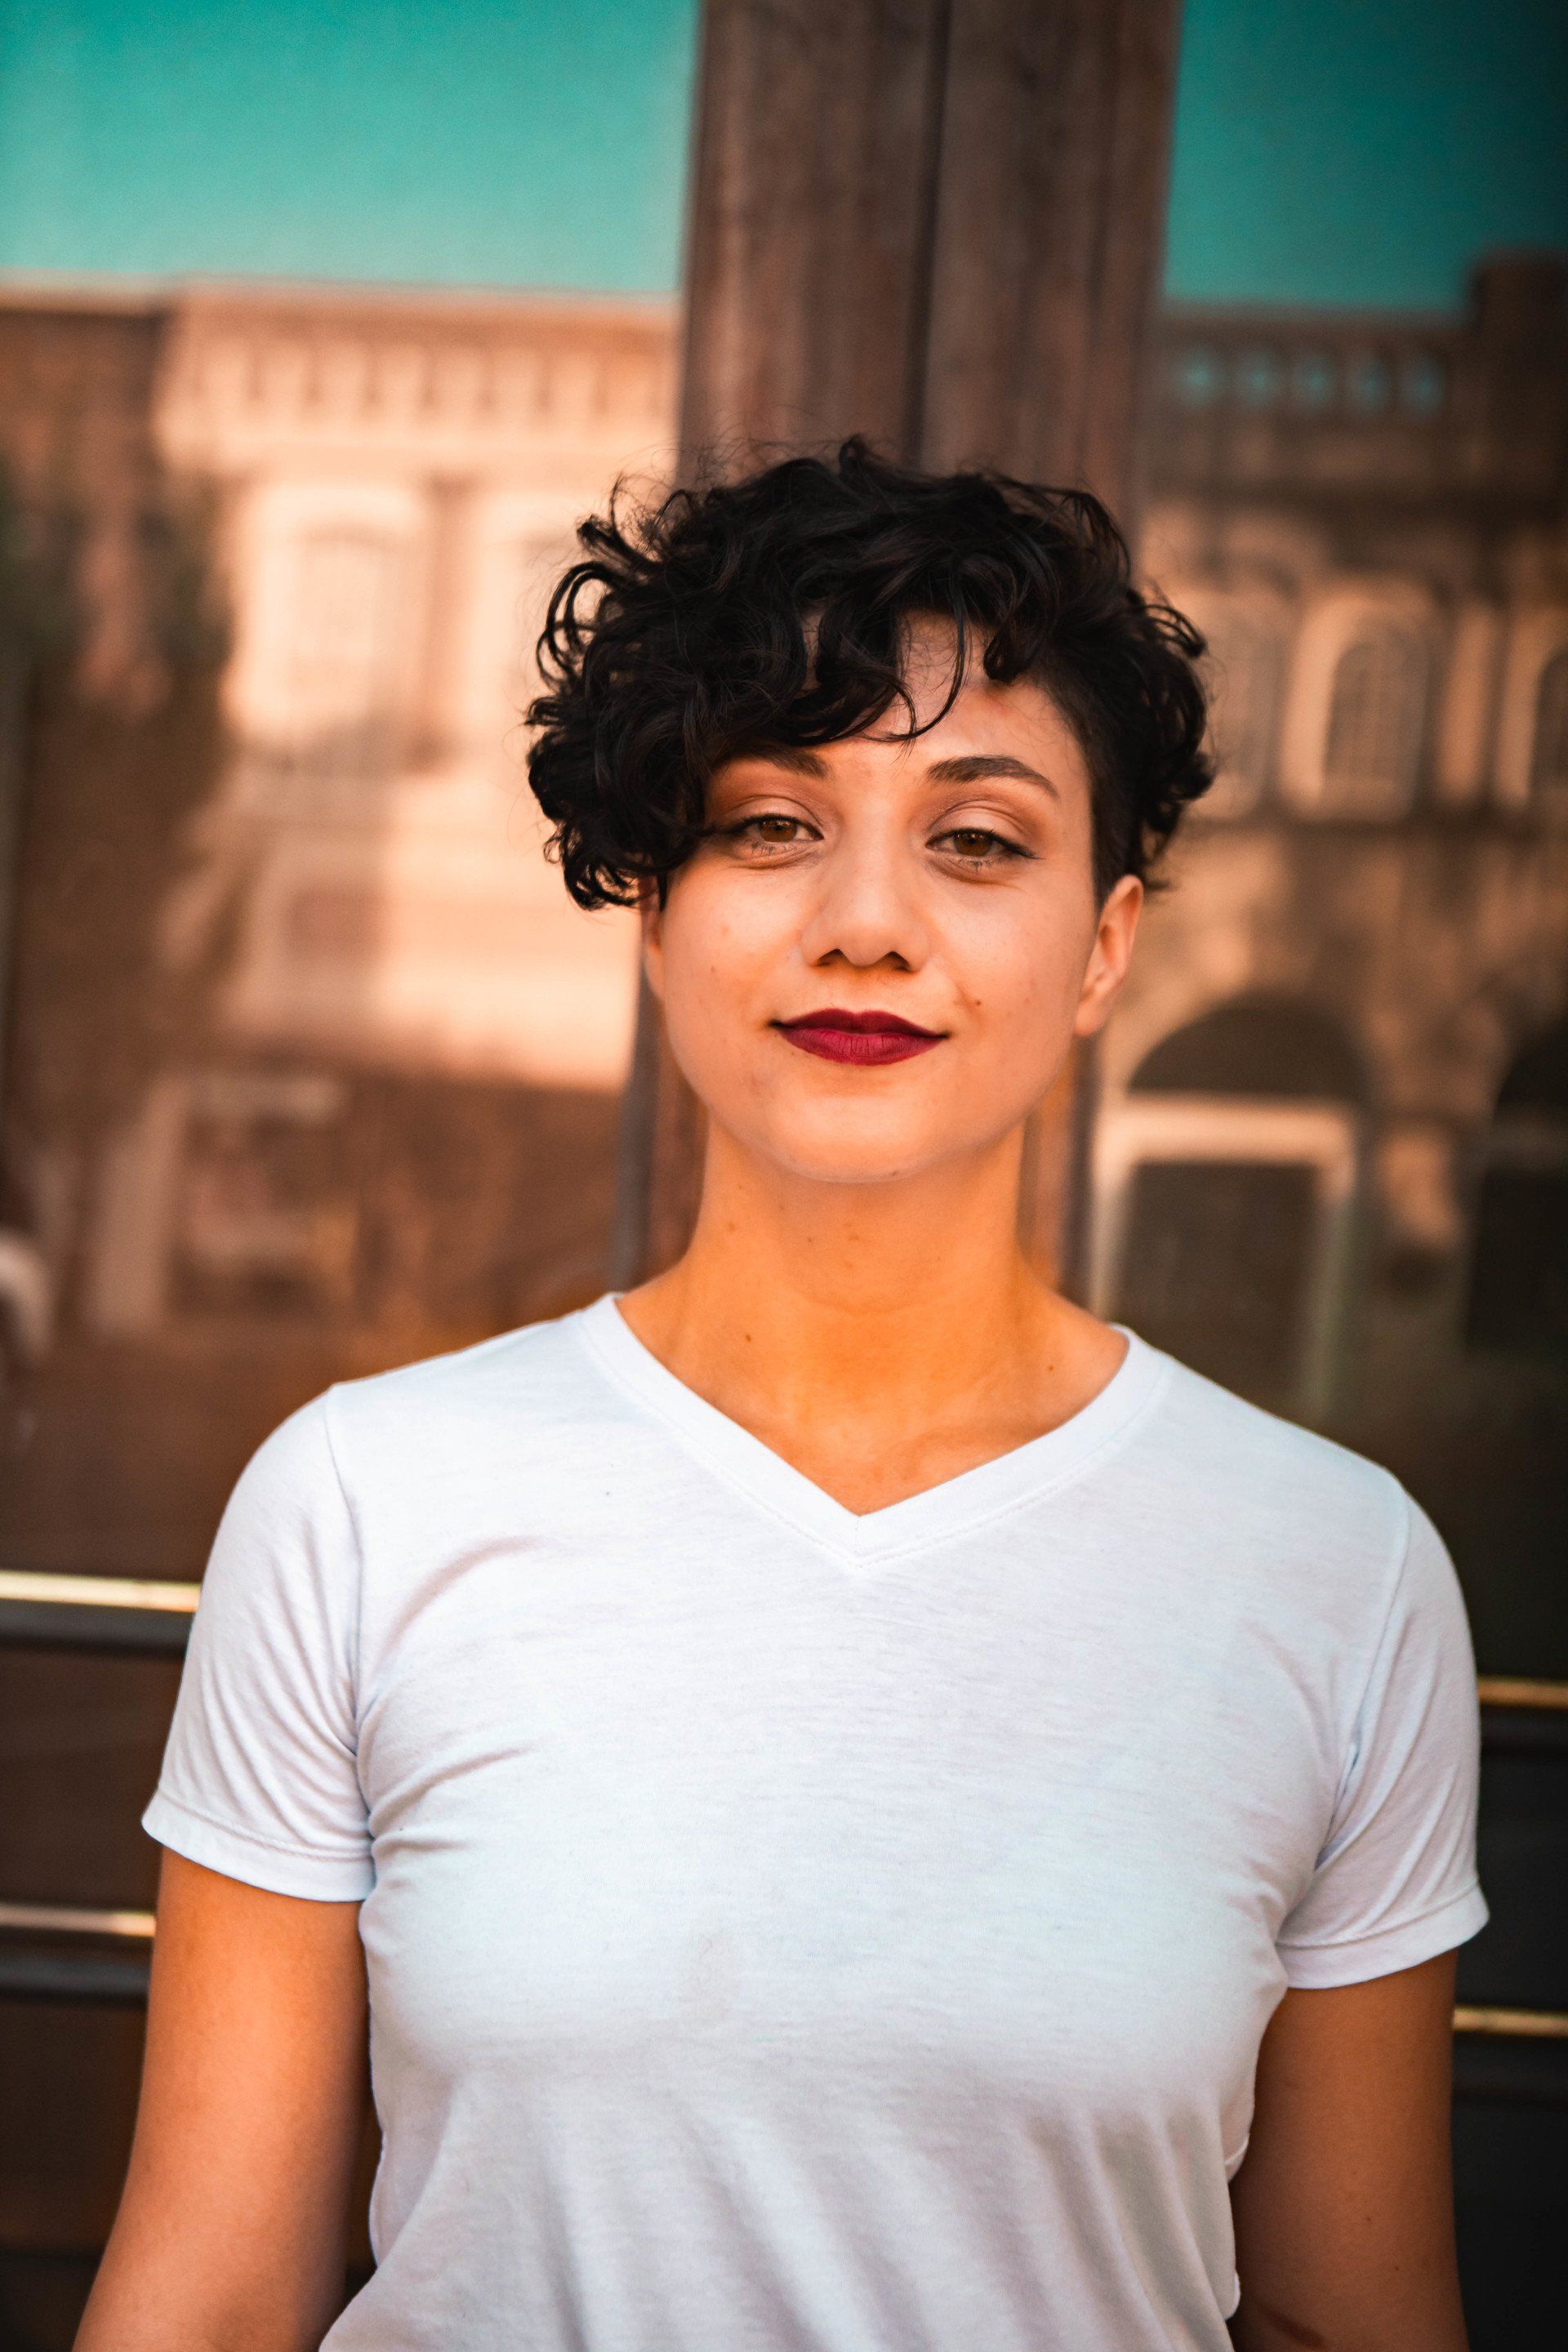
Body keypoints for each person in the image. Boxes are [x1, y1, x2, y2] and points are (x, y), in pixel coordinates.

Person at [78, 443, 1485, 2352]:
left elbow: (1353, 2322)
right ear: (654, 912)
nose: (868, 923)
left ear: (1108, 945)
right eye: (769, 825)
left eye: (979, 840)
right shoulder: (361, 1504)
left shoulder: (1339, 1573)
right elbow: (216, 2299)